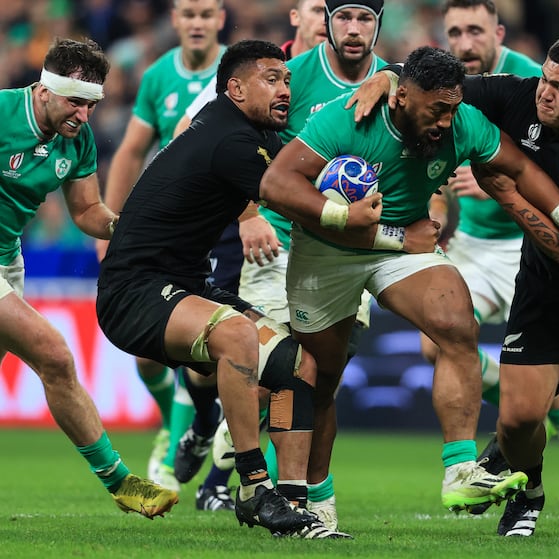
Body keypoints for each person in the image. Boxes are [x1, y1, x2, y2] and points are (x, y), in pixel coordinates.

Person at [259, 45, 559, 529]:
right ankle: (317, 501)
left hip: (406, 248)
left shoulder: (463, 122)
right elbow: (276, 183)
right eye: (437, 109)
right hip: (329, 252)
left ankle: (460, 468)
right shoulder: (347, 120)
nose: (447, 121)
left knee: (455, 325)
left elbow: (521, 169)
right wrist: (362, 223)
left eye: (452, 108)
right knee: (321, 379)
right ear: (401, 97)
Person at [96, 39, 358, 539]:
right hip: (135, 293)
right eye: (271, 79)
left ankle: (295, 506)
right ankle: (254, 488)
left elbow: (310, 168)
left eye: (287, 79)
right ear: (235, 88)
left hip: (188, 286)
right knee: (235, 335)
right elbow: (299, 200)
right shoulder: (231, 140)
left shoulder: (247, 132)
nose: (285, 89)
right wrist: (363, 219)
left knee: (299, 364)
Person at [180, 0, 389, 530]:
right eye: (338, 15)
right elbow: (199, 126)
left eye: (363, 18)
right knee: (279, 369)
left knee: (319, 384)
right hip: (276, 246)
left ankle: (284, 493)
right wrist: (250, 214)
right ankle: (260, 487)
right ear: (317, 19)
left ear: (378, 24)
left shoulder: (392, 81)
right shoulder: (284, 76)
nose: (348, 27)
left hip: (346, 253)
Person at [425, 0, 559, 513]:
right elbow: (439, 174)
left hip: (531, 247)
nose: (465, 44)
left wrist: (497, 189)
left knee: (550, 369)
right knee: (435, 343)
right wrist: (439, 211)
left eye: (475, 31)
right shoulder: (446, 89)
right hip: (473, 247)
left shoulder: (539, 83)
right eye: (455, 32)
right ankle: (496, 436)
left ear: (499, 32)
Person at [0, 37, 179, 519]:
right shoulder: (1, 113)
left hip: (7, 260)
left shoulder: (76, 140)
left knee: (52, 364)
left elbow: (85, 211)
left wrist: (129, 228)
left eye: (92, 104)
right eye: (75, 102)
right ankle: (121, 482)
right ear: (43, 90)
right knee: (54, 355)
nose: (84, 115)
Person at [168, 0, 328, 512]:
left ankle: (276, 487)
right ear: (296, 16)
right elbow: (184, 138)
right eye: (323, 8)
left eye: (349, 11)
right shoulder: (262, 69)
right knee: (231, 358)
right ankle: (212, 443)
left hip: (313, 244)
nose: (336, 20)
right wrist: (246, 215)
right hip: (247, 239)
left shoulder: (356, 82)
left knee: (300, 367)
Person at [97, 0, 227, 495]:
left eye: (206, 14)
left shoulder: (238, 72)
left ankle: (192, 449)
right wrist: (111, 230)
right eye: (188, 14)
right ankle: (173, 427)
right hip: (168, 232)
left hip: (223, 231)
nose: (197, 23)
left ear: (220, 18)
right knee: (149, 355)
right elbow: (131, 151)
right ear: (174, 20)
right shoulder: (156, 78)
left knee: (209, 346)